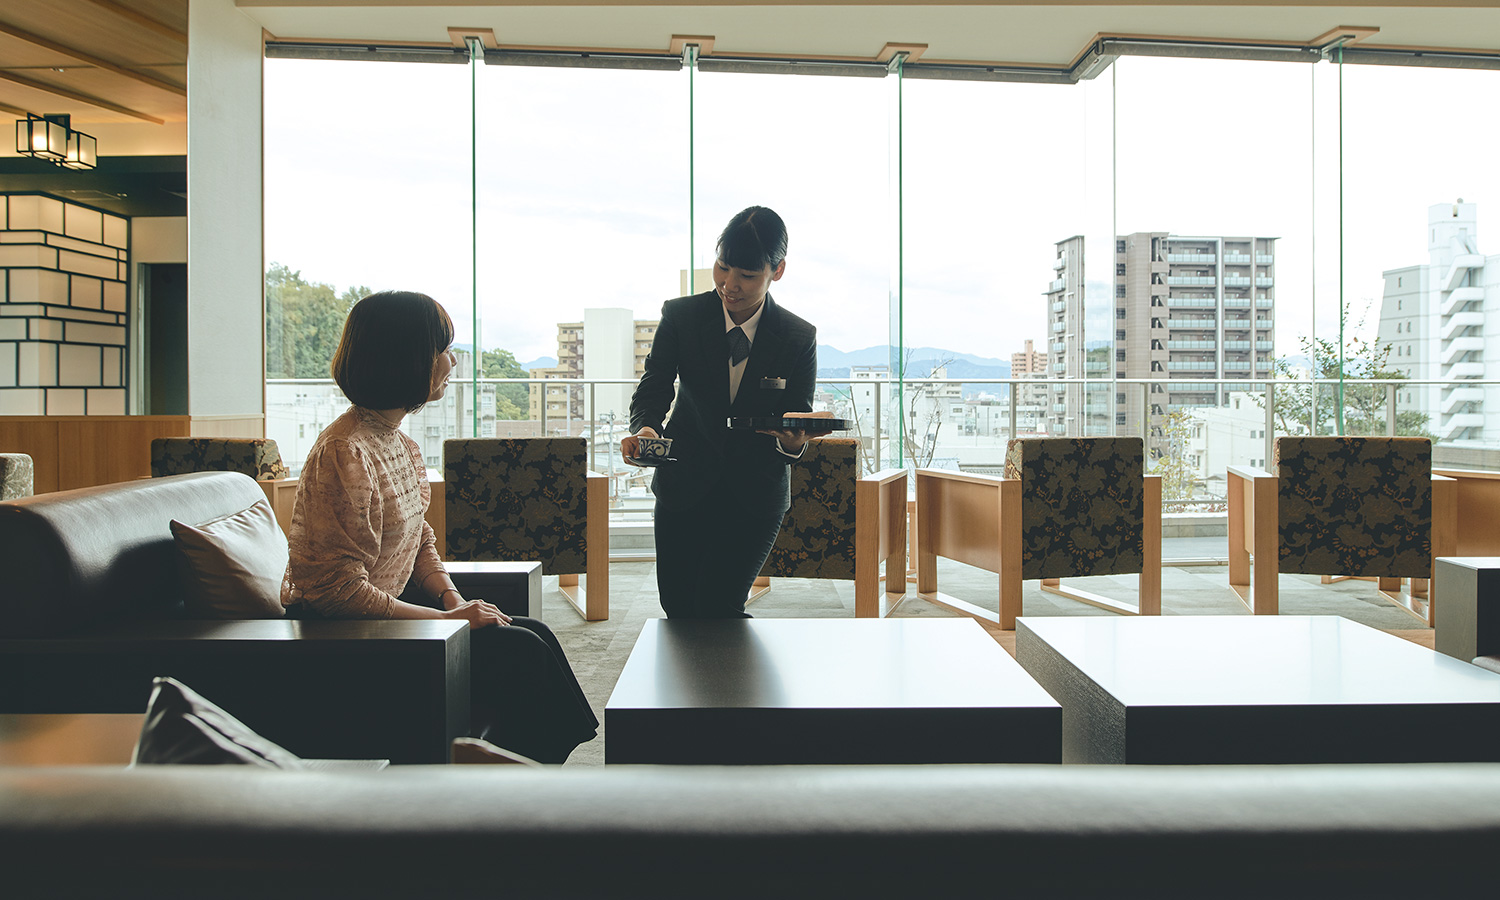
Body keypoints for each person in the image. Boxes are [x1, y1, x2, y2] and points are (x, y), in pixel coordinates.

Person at [282, 290, 598, 763]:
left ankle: (531, 783)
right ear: (407, 359)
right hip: (344, 639)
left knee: (533, 633)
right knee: (522, 655)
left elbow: (420, 538)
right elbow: (335, 592)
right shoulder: (344, 453)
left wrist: (451, 596)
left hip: (383, 617)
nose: (451, 362)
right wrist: (446, 622)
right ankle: (523, 794)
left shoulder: (396, 442)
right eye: (442, 350)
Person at [623, 206, 827, 618]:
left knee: (720, 607)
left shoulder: (797, 336)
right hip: (685, 484)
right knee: (679, 609)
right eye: (723, 267)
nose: (729, 285)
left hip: (755, 494)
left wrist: (792, 444)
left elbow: (796, 414)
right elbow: (655, 384)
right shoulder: (681, 316)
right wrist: (646, 427)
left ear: (778, 270)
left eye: (748, 275)